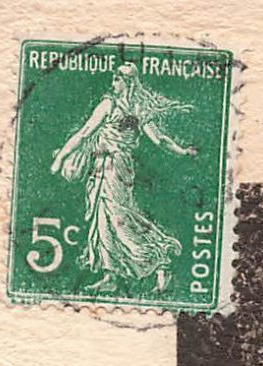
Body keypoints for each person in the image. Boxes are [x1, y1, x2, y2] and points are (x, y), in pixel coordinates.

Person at [48, 63, 197, 294]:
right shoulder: (118, 104)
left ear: (127, 82)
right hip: (102, 167)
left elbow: (158, 139)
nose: (112, 84)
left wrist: (182, 151)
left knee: (119, 219)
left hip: (115, 168)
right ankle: (111, 275)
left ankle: (160, 260)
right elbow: (87, 132)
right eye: (113, 79)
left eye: (117, 79)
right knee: (103, 220)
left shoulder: (128, 107)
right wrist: (182, 151)